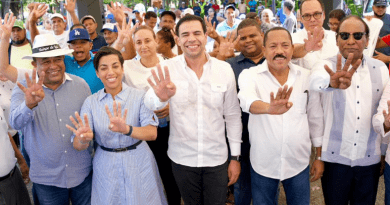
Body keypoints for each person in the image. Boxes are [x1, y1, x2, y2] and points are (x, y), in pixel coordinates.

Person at [144, 14, 242, 205]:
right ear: (178, 40)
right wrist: (160, 98)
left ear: (206, 37)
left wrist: (235, 157)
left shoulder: (224, 70)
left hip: (217, 158)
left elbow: (232, 115)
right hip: (182, 159)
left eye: (197, 33)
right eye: (185, 34)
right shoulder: (166, 67)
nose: (192, 39)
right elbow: (149, 101)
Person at [1, 16, 93, 205]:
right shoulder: (24, 86)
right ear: (34, 64)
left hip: (82, 173)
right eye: (45, 61)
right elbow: (15, 123)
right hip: (47, 179)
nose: (53, 66)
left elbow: (88, 122)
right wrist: (29, 104)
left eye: (57, 59)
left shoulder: (81, 85)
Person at [66, 46, 167, 205]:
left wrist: (127, 129)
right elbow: (79, 145)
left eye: (115, 66)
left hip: (139, 160)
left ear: (122, 69)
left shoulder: (140, 96)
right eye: (103, 68)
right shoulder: (90, 102)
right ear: (97, 73)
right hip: (106, 163)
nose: (110, 72)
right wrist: (83, 138)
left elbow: (151, 133)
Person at [238, 26, 323, 205]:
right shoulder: (250, 75)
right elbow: (246, 100)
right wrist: (269, 108)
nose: (279, 51)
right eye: (273, 46)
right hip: (263, 164)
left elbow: (315, 117)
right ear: (264, 50)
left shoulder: (306, 77)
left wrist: (319, 157)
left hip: (298, 163)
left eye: (285, 45)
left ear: (293, 49)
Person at [310, 15, 389, 205]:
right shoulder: (324, 66)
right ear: (337, 40)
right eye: (344, 35)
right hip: (334, 160)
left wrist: (383, 151)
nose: (351, 41)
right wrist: (331, 82)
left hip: (368, 159)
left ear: (367, 40)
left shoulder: (380, 69)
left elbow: (384, 113)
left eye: (357, 35)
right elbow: (315, 86)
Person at [121, 25, 181, 205]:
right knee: (146, 176)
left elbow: (185, 94)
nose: (143, 45)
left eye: (147, 40)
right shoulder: (127, 67)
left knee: (170, 175)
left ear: (156, 41)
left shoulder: (171, 64)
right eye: (138, 42)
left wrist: (171, 106)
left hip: (170, 128)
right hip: (143, 130)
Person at [222, 19, 265, 205]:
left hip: (269, 138)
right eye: (243, 37)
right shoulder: (229, 65)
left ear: (262, 36)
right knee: (242, 190)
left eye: (252, 35)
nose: (248, 40)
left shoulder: (275, 60)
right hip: (241, 139)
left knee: (266, 190)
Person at [291, 0, 339, 70]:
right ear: (301, 18)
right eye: (307, 15)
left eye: (316, 14)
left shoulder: (336, 37)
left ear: (324, 15)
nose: (312, 19)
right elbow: (289, 52)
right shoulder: (292, 38)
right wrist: (305, 48)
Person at [64, 28, 104, 94]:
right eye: (74, 43)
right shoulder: (64, 61)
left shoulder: (100, 61)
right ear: (69, 47)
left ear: (90, 45)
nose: (78, 46)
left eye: (83, 42)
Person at [372, 0, 390, 66]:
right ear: (373, 7)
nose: (380, 9)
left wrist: (387, 58)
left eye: (383, 7)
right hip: (371, 59)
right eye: (378, 6)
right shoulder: (367, 21)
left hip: (386, 61)